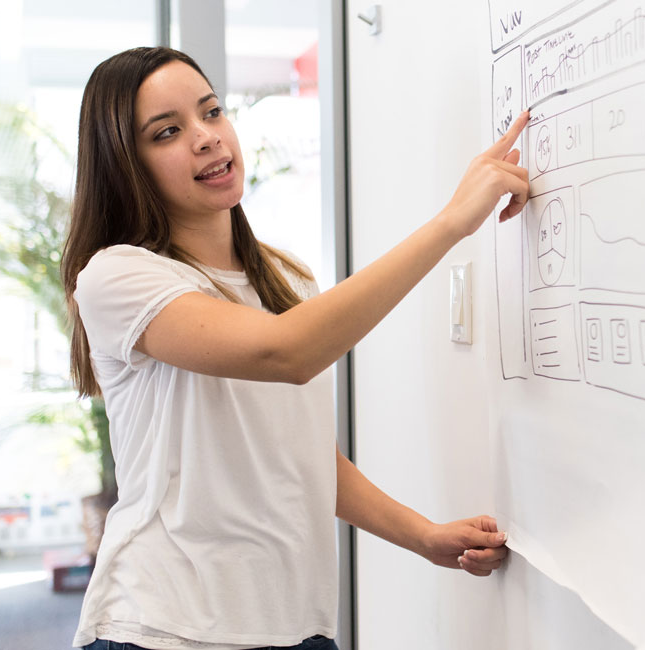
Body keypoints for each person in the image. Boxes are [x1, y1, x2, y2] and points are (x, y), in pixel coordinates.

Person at [61, 46, 530, 650]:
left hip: (296, 624)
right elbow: (287, 353)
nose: (205, 138)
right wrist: (451, 223)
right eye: (168, 132)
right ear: (126, 165)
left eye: (211, 112)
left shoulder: (286, 280)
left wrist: (423, 536)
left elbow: (301, 458)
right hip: (163, 626)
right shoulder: (118, 277)